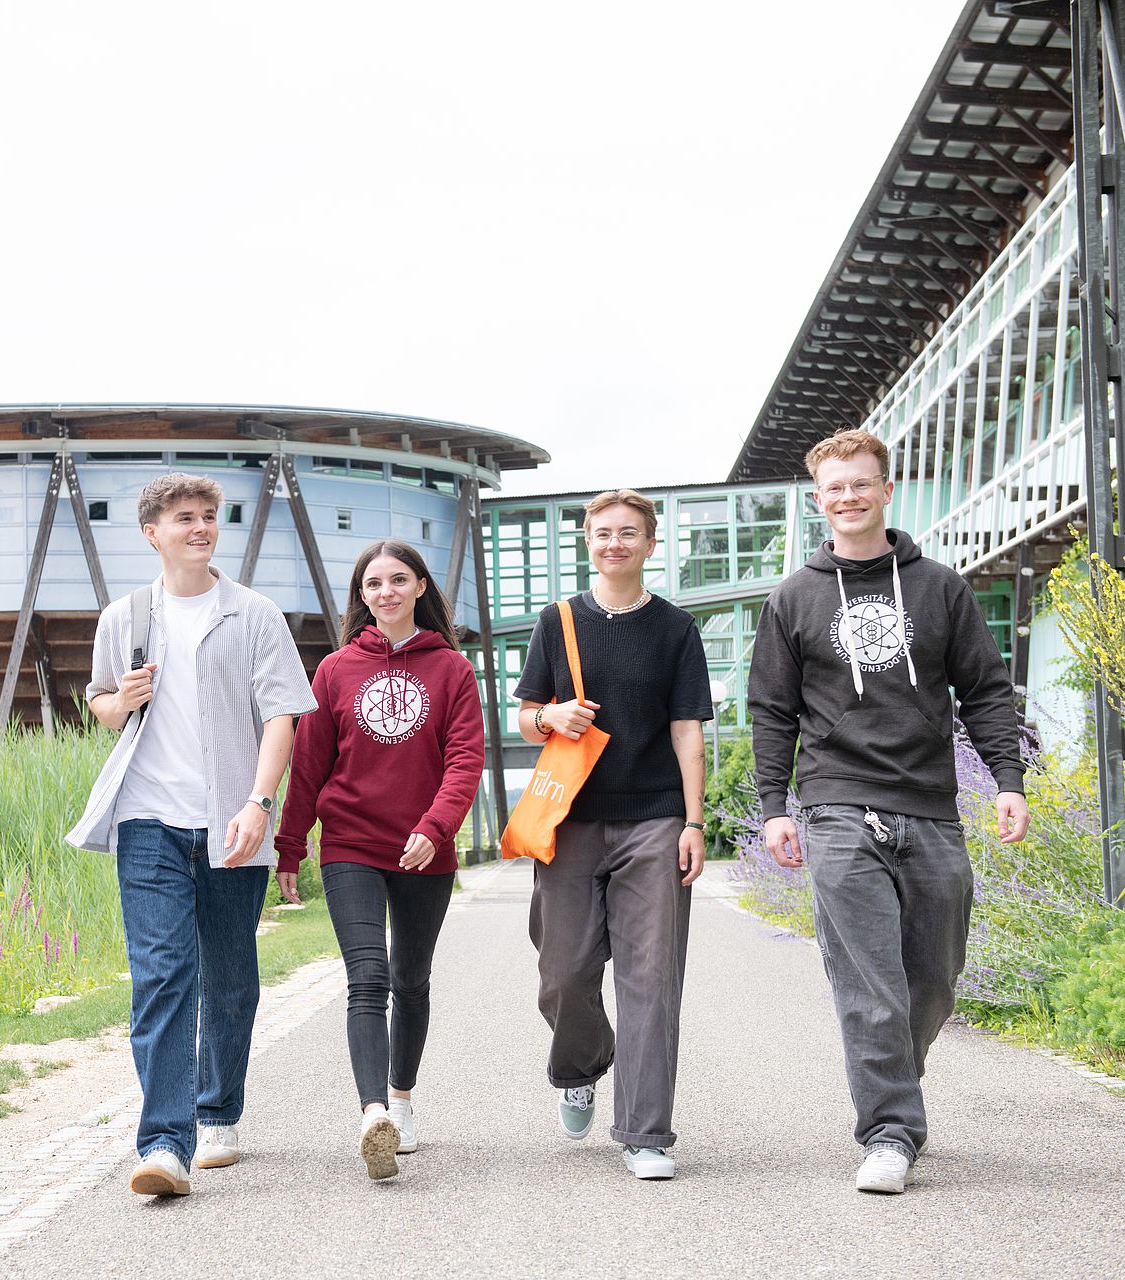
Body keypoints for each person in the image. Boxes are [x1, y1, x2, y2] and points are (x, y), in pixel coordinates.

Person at [747, 428, 1029, 1196]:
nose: (849, 497)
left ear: (886, 490)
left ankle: (896, 1083)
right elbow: (771, 712)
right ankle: (890, 1133)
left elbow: (985, 690)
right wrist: (774, 807)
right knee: (870, 985)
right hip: (836, 805)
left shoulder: (940, 588)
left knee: (932, 981)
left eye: (861, 483)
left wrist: (1008, 779)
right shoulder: (793, 598)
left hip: (929, 805)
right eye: (835, 488)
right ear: (819, 500)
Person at [66, 472, 316, 1198]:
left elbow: (281, 716)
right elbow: (100, 703)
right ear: (153, 533)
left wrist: (260, 803)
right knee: (162, 976)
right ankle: (164, 1143)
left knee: (230, 979)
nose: (200, 527)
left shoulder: (254, 614)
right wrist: (121, 699)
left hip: (231, 820)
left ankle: (218, 1112)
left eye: (209, 516)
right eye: (184, 518)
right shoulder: (124, 616)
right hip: (147, 819)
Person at [512, 488, 712, 1181]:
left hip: (655, 818)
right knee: (563, 972)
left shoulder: (676, 629)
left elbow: (687, 733)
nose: (614, 543)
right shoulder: (558, 620)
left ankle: (645, 1133)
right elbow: (524, 718)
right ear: (587, 542)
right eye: (603, 533)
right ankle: (582, 1064)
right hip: (569, 820)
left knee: (650, 976)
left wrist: (694, 821)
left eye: (628, 533)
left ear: (651, 544)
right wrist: (551, 717)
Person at [272, 541, 484, 1180]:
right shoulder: (335, 670)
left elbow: (464, 760)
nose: (385, 592)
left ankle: (402, 1098)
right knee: (367, 977)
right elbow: (309, 766)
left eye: (397, 580)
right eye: (373, 583)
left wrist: (436, 826)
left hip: (425, 849)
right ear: (360, 596)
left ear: (420, 586)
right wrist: (290, 843)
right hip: (351, 845)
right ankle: (373, 1115)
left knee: (410, 978)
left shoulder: (452, 670)